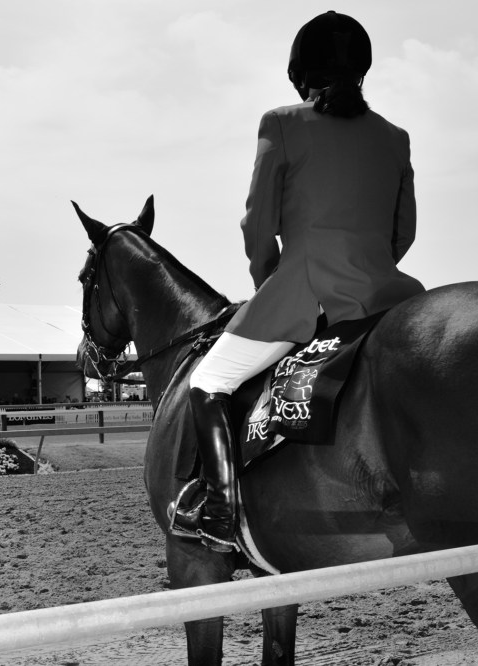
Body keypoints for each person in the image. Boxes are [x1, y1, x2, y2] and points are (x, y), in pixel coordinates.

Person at [171, 11, 425, 552]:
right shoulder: (395, 137)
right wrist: (371, 266)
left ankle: (219, 511)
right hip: (386, 295)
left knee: (207, 383)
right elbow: (404, 232)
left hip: (304, 291)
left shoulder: (281, 123)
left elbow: (257, 226)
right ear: (362, 71)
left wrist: (272, 279)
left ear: (300, 74)